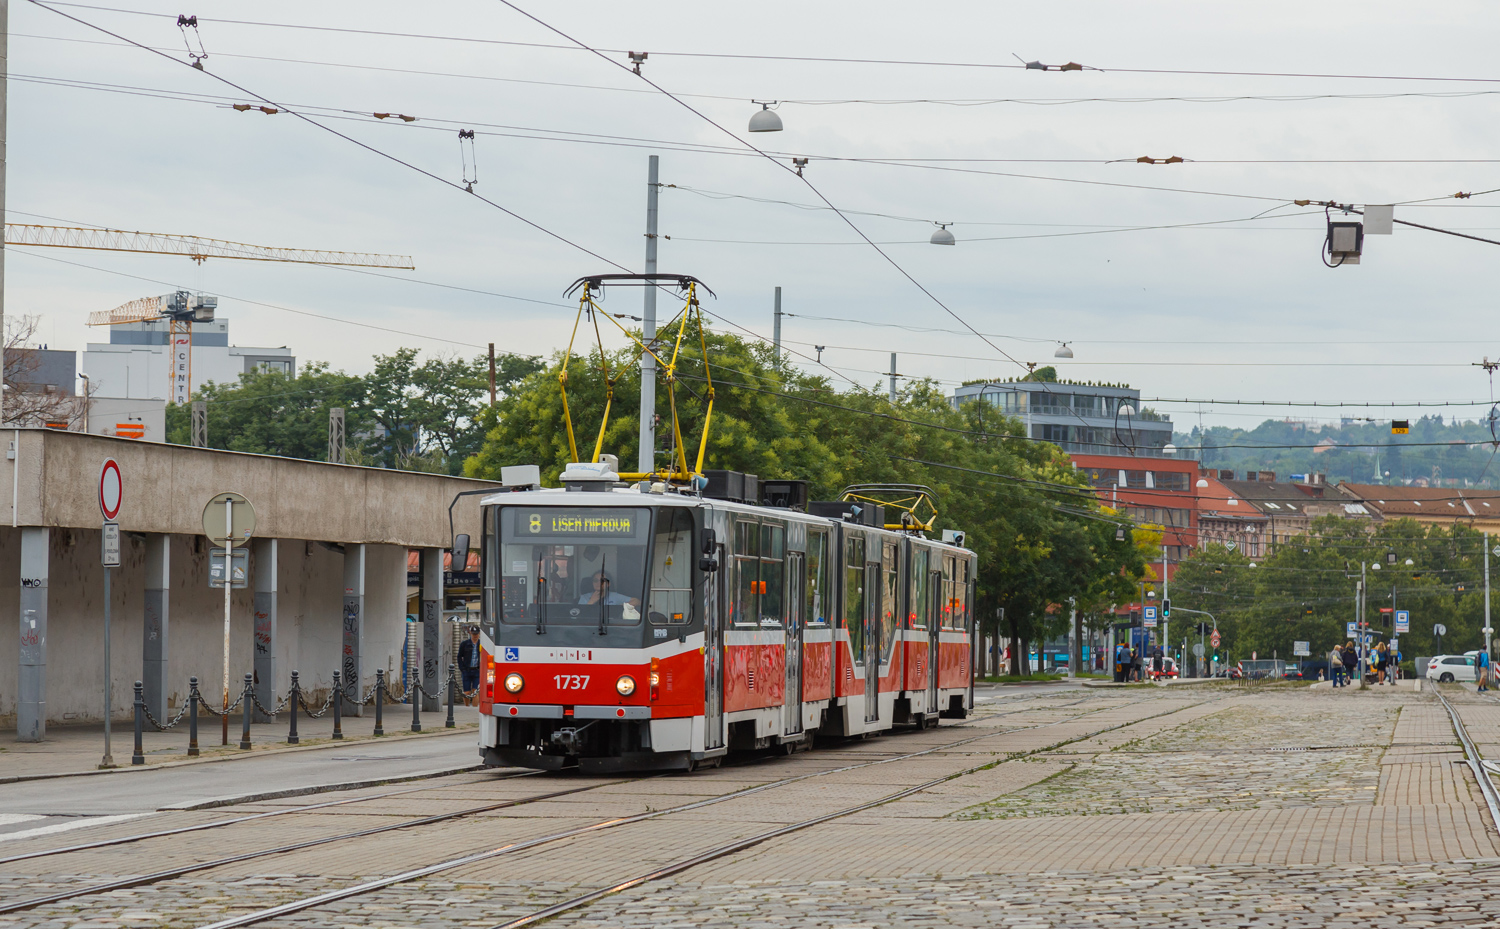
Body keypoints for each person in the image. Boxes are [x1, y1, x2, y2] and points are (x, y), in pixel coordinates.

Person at [457, 626, 482, 706]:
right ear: (470, 633)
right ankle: (467, 707)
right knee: (467, 691)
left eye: (477, 634)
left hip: (477, 670)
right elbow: (459, 656)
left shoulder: (482, 644)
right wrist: (462, 668)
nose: (475, 635)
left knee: (475, 691)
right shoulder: (464, 644)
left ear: (479, 634)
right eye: (473, 634)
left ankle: (474, 708)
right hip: (467, 670)